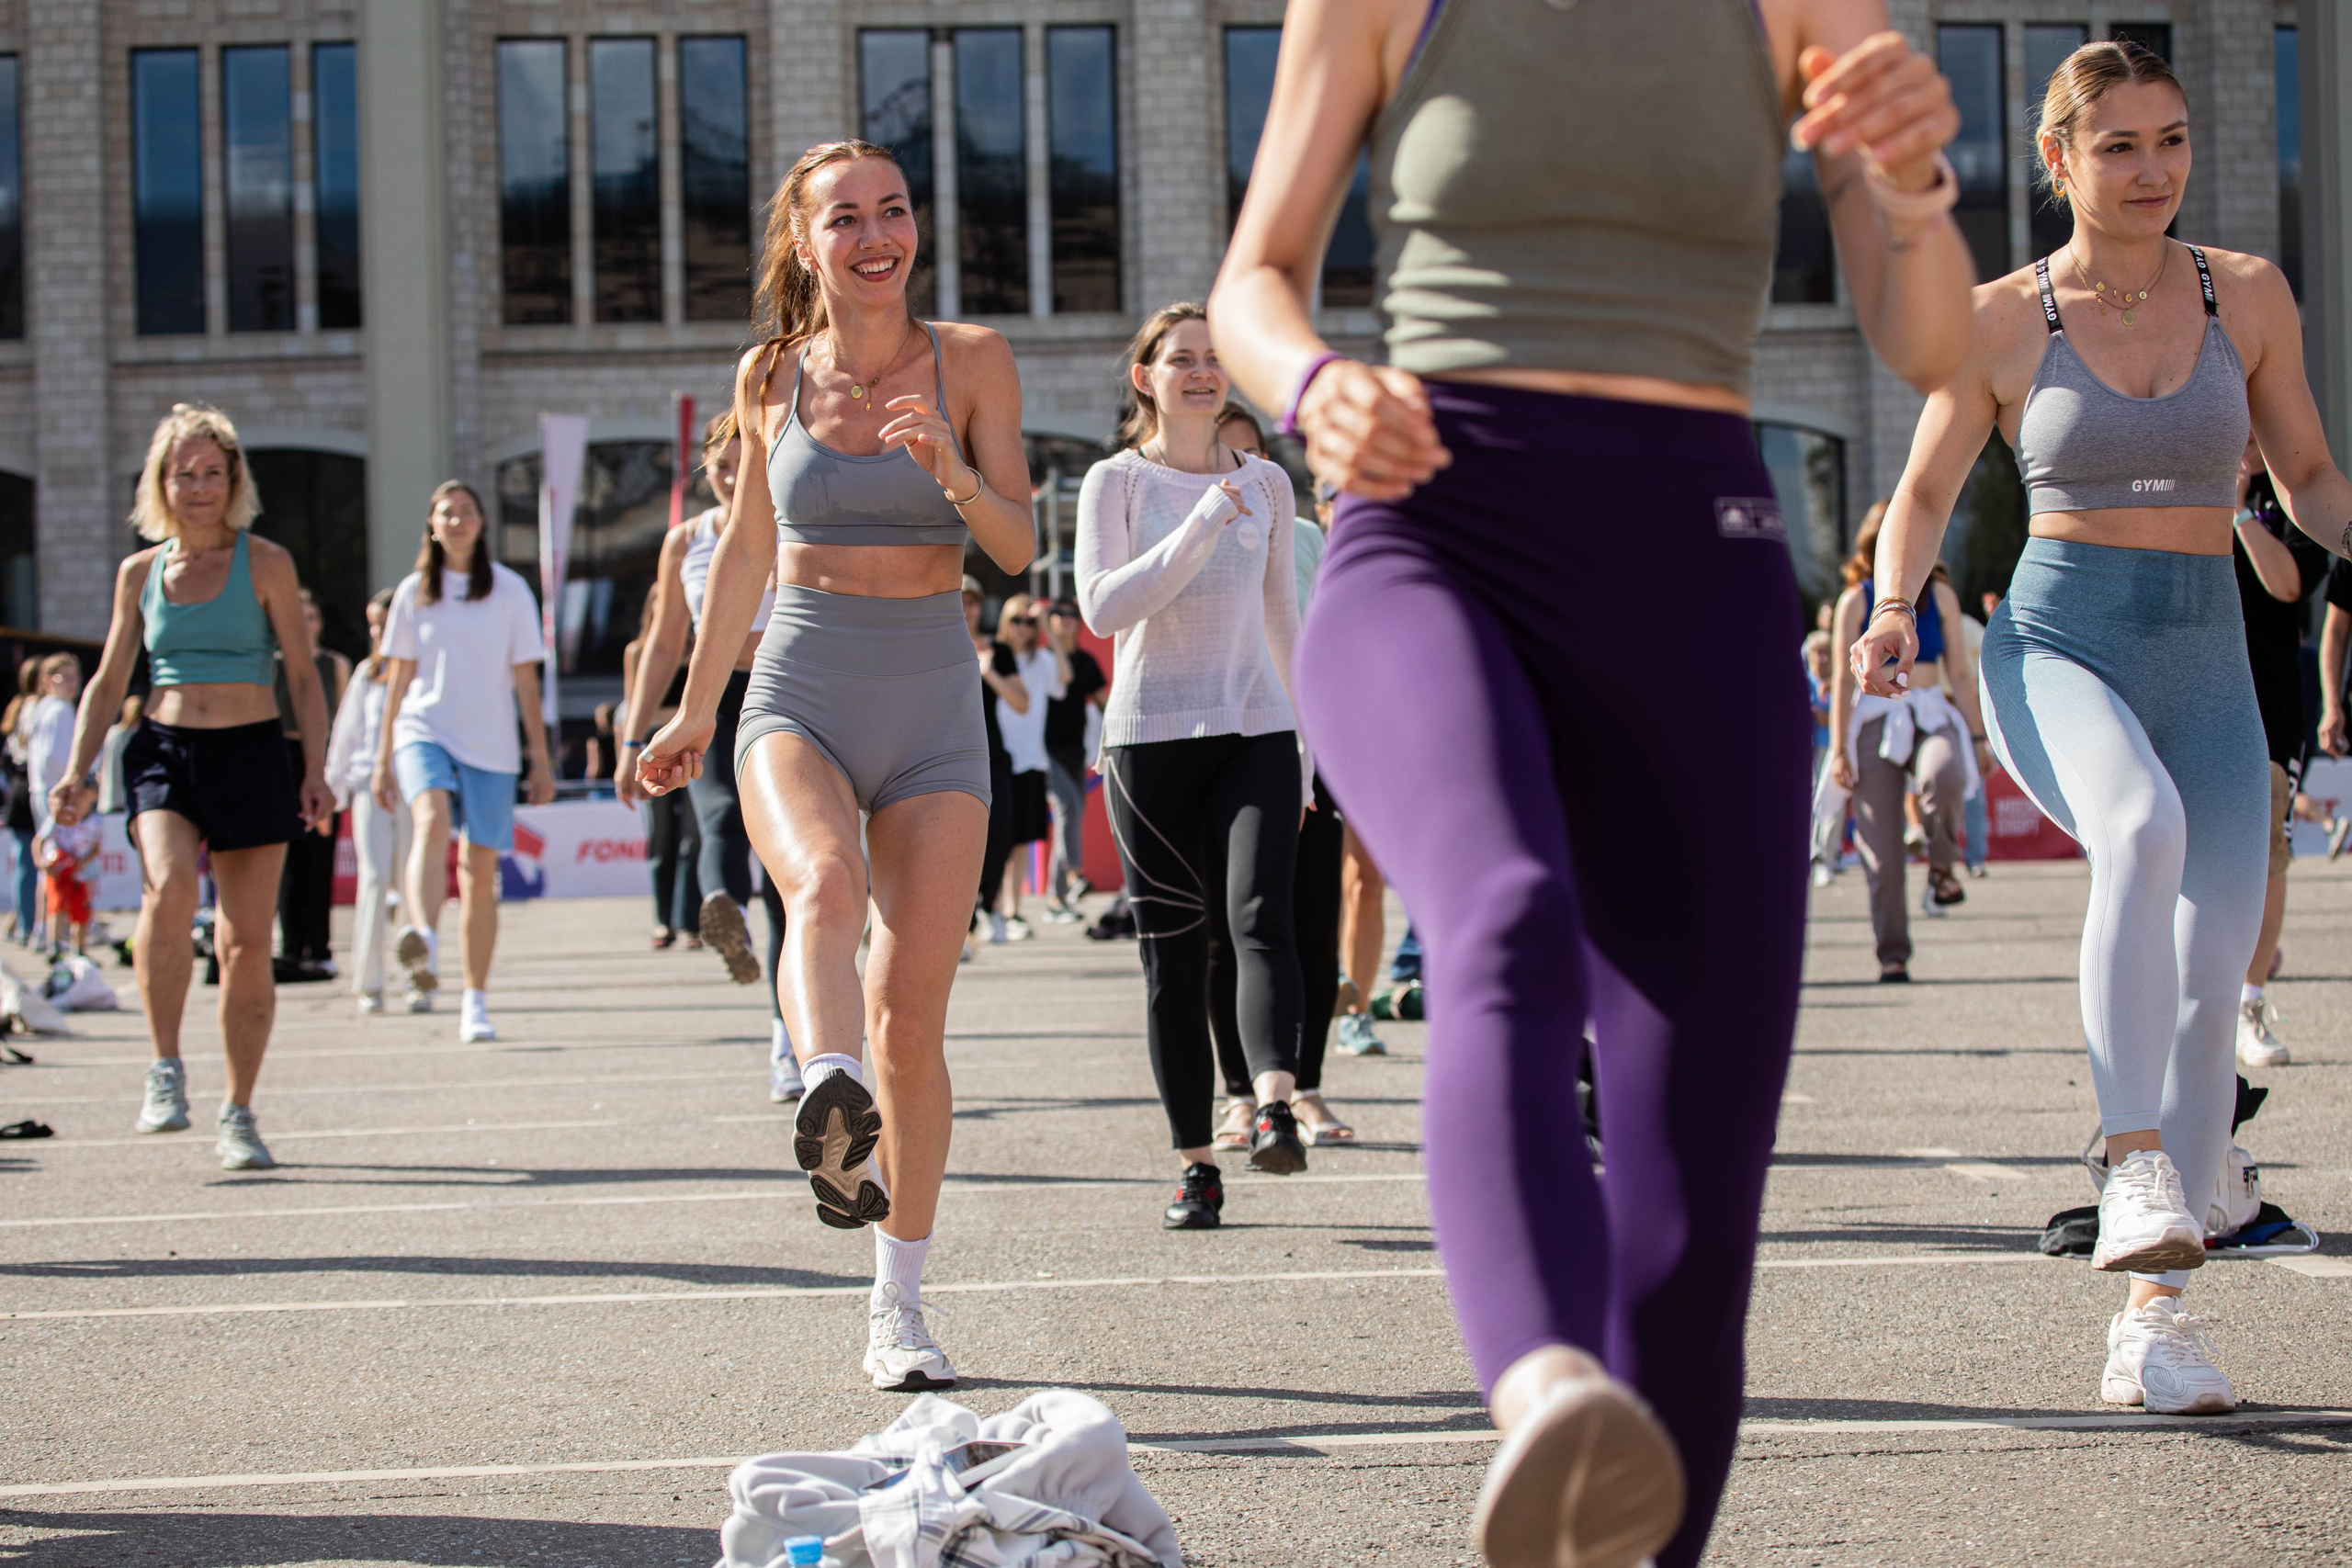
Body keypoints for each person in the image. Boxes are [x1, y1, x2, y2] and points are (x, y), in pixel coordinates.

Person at [1211, 3, 1972, 1562]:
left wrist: (1912, 184)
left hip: (1696, 564)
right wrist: (1308, 386)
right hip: (1431, 523)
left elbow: (1929, 342)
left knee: (1697, 1203)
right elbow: (1253, 281)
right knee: (1501, 915)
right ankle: (1547, 1381)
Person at [1852, 40, 2352, 1419]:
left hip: (2204, 655)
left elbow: (2306, 474)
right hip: (2060, 638)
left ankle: (2158, 1320)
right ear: (2059, 159)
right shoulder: (2004, 315)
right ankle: (2128, 1150)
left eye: (2172, 140)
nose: (2152, 169)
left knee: (2212, 984)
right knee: (2137, 827)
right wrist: (1897, 605)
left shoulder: (2244, 292)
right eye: (2119, 144)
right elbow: (1920, 489)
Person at [636, 139, 1035, 1392]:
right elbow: (747, 554)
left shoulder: (971, 359)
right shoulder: (769, 375)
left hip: (928, 688)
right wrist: (694, 708)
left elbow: (1018, 548)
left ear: (916, 227)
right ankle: (828, 1088)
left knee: (914, 1016)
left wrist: (953, 473)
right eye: (846, 217)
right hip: (798, 675)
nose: (876, 235)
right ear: (804, 243)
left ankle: (898, 1302)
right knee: (819, 885)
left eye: (895, 211)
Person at [1077, 300, 1312, 1230]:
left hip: (1255, 728)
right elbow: (1104, 609)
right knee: (1173, 958)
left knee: (1260, 913)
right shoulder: (1116, 482)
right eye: (1181, 359)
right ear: (1146, 377)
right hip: (1148, 739)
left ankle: (1274, 1104)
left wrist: (1311, 741)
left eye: (1215, 358)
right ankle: (1194, 1164)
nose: (1202, 372)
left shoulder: (1269, 483)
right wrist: (1203, 522)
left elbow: (1282, 619)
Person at [51, 403, 334, 1169]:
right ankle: (165, 1066)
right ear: (162, 482)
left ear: (233, 480)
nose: (199, 486)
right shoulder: (139, 573)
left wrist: (316, 768)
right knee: (170, 889)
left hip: (251, 752)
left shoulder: (267, 562)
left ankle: (239, 1110)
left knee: (246, 943)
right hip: (164, 752)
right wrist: (75, 773)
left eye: (213, 473)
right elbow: (110, 680)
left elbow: (303, 676)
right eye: (185, 473)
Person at [620, 410, 798, 1097]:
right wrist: (633, 736)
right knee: (719, 812)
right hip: (714, 694)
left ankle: (789, 1041)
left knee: (789, 875)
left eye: (740, 462)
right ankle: (724, 908)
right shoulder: (685, 541)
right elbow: (664, 644)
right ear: (706, 472)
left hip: (785, 687)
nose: (730, 476)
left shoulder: (791, 521)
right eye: (719, 466)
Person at [371, 479, 557, 1043]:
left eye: (467, 512)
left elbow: (526, 681)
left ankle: (474, 1000)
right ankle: (422, 933)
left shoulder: (509, 591)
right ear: (432, 524)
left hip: (492, 744)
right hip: (423, 729)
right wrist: (382, 758)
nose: (457, 520)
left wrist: (540, 758)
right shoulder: (412, 593)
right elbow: (397, 675)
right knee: (429, 820)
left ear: (481, 522)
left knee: (479, 874)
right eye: (447, 513)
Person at [1826, 508, 1986, 981]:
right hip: (1874, 722)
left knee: (1945, 772)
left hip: (1930, 709)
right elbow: (1838, 678)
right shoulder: (1857, 600)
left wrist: (1977, 736)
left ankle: (1941, 869)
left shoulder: (1941, 595)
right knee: (1882, 850)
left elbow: (1960, 671)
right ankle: (1892, 952)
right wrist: (1838, 748)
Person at [2229, 445, 2325, 1069]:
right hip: (2189, 693)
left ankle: (2250, 1002)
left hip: (2268, 705)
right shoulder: (2176, 476)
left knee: (2267, 849)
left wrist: (2236, 512)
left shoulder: (2292, 496)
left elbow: (2289, 583)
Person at [327, 588, 413, 1016]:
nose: (379, 633)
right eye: (374, 626)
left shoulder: (422, 669)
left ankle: (418, 977)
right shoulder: (368, 673)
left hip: (415, 788)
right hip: (369, 786)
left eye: (386, 624)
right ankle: (370, 983)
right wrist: (332, 789)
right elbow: (346, 733)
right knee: (376, 880)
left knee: (413, 884)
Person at [276, 589, 350, 981]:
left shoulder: (333, 664)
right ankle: (290, 949)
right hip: (283, 758)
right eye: (298, 618)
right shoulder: (273, 664)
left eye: (311, 617)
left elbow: (346, 719)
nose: (306, 625)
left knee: (321, 859)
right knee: (286, 860)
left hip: (324, 757)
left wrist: (333, 772)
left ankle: (319, 948)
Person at [624, 596, 701, 949]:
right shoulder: (639, 653)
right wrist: (627, 757)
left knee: (693, 838)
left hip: (694, 751)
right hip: (653, 753)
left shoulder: (704, 645)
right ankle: (662, 921)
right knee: (661, 839)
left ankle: (690, 923)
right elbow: (632, 709)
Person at [987, 593, 1061, 936]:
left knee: (1019, 841)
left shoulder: (1042, 660)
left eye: (1028, 622)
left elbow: (1066, 679)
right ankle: (993, 908)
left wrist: (1047, 624)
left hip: (1030, 758)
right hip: (996, 756)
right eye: (1017, 620)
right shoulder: (993, 653)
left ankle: (1013, 909)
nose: (1023, 627)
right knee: (996, 838)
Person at [968, 582, 1032, 944]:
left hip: (993, 754)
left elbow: (1022, 702)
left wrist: (988, 672)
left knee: (1003, 835)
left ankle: (987, 905)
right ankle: (962, 925)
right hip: (944, 756)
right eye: (960, 600)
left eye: (974, 602)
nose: (967, 608)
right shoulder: (935, 645)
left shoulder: (999, 650)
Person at [1039, 598, 1107, 921]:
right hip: (1043, 751)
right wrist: (1044, 632)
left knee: (1070, 817)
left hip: (1074, 752)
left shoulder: (1087, 661)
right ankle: (1076, 875)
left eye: (1072, 615)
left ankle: (1057, 901)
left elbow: (1103, 701)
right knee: (1068, 808)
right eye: (1059, 615)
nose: (1067, 620)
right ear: (1048, 621)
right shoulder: (1043, 660)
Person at [3, 660, 39, 943]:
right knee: (31, 859)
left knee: (24, 860)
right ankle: (28, 925)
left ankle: (21, 920)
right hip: (30, 788)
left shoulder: (18, 706)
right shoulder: (37, 707)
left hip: (18, 786)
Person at [34, 809, 97, 955]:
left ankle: (80, 950)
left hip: (81, 873)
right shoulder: (57, 817)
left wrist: (80, 863)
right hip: (58, 872)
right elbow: (39, 840)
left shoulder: (96, 821)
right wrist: (41, 863)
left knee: (81, 911)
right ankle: (54, 946)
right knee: (57, 905)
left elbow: (96, 847)